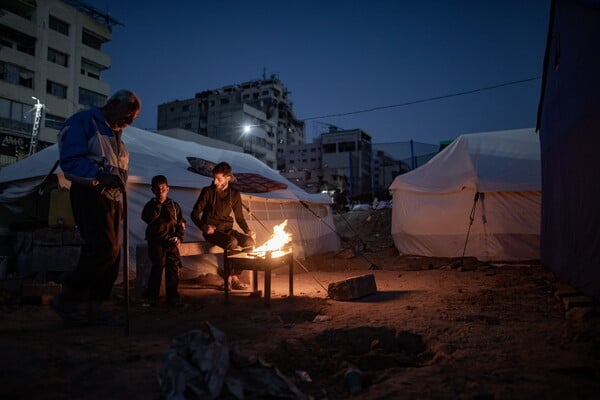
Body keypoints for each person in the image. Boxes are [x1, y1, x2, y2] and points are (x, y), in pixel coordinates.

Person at [51, 89, 141, 325]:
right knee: (104, 249)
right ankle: (68, 296)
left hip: (111, 198)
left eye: (134, 118)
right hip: (89, 193)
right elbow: (70, 162)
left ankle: (96, 307)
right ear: (112, 104)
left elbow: (118, 170)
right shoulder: (84, 122)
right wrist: (99, 175)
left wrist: (117, 193)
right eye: (128, 114)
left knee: (114, 254)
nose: (130, 121)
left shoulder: (116, 134)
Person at [191, 161, 255, 290]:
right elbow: (194, 214)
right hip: (212, 231)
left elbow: (239, 217)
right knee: (232, 242)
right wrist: (204, 227)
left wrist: (247, 230)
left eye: (218, 179)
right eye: (214, 178)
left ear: (228, 178)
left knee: (249, 242)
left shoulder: (234, 194)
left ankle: (234, 276)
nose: (215, 182)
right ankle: (228, 280)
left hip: (227, 229)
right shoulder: (207, 191)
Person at [141, 175, 186, 307]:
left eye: (163, 188)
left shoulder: (174, 205)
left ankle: (172, 296)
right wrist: (158, 205)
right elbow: (148, 219)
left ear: (168, 189)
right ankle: (152, 295)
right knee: (158, 266)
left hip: (171, 242)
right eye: (157, 189)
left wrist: (179, 237)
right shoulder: (150, 206)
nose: (161, 191)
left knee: (172, 267)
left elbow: (181, 223)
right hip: (156, 241)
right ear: (153, 190)